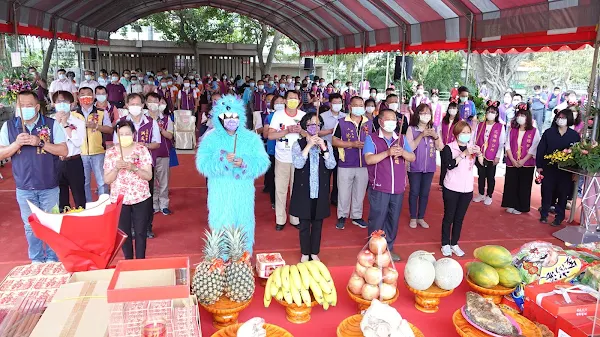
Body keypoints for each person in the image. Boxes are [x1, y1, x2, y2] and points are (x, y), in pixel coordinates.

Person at [196, 95, 269, 254]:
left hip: (243, 191)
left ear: (240, 117)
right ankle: (220, 261)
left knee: (243, 225)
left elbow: (263, 162)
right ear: (219, 118)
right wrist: (221, 159)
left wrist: (245, 163)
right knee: (220, 224)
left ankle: (243, 260)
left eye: (234, 116)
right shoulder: (211, 138)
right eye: (226, 117)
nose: (231, 120)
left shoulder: (251, 138)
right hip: (219, 192)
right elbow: (201, 164)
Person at [0, 90, 68, 263]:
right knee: (30, 226)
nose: (24, 109)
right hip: (24, 187)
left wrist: (41, 143)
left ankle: (53, 257)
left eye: (29, 106)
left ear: (37, 107)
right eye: (21, 106)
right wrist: (16, 144)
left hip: (49, 185)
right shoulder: (9, 126)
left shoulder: (51, 124)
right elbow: (1, 154)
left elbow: (63, 150)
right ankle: (37, 259)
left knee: (51, 223)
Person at [364, 109, 415, 261]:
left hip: (398, 187)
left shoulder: (401, 139)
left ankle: (388, 248)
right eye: (388, 119)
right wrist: (387, 153)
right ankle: (373, 250)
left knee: (393, 220)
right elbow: (369, 160)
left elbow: (412, 157)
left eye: (394, 119)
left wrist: (403, 153)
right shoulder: (371, 139)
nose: (392, 122)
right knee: (377, 219)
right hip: (379, 187)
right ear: (380, 121)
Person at [290, 112, 336, 262]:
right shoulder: (298, 144)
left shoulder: (326, 144)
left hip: (320, 190)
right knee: (304, 224)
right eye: (310, 124)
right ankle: (305, 252)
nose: (314, 127)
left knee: (318, 224)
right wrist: (309, 146)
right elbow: (297, 164)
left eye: (317, 124)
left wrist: (324, 148)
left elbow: (331, 165)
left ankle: (314, 252)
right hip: (305, 190)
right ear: (305, 126)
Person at [104, 120, 153, 259]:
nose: (124, 136)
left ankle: (140, 261)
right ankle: (128, 261)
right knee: (124, 233)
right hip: (120, 199)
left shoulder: (141, 150)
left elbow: (148, 176)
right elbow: (107, 179)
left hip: (140, 197)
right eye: (121, 134)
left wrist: (134, 168)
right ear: (117, 136)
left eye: (127, 134)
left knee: (140, 232)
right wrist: (116, 168)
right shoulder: (111, 153)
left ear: (133, 134)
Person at [113, 93, 161, 238]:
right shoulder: (121, 122)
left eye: (138, 104)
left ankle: (147, 227)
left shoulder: (151, 122)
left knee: (147, 197)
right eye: (132, 104)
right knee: (127, 198)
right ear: (127, 105)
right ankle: (130, 228)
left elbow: (157, 143)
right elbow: (116, 143)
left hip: (145, 167)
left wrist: (144, 145)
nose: (135, 107)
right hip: (125, 166)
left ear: (142, 105)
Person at [440, 120, 483, 257]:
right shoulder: (449, 148)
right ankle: (445, 243)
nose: (466, 135)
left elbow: (482, 167)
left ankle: (454, 243)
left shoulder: (472, 148)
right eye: (463, 132)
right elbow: (449, 165)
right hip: (451, 187)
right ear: (456, 134)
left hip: (467, 189)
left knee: (459, 218)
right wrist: (463, 154)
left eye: (468, 132)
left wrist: (480, 154)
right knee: (449, 216)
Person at [268, 91, 306, 231]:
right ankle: (280, 219)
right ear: (285, 100)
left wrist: (301, 131)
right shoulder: (278, 115)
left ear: (299, 100)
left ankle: (295, 218)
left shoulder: (303, 115)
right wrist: (286, 131)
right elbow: (270, 135)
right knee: (280, 188)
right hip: (282, 157)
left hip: (299, 157)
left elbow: (311, 134)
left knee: (296, 189)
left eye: (295, 98)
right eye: (290, 98)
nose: (292, 101)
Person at [332, 96, 372, 230]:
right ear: (350, 106)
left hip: (364, 163)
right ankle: (342, 216)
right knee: (343, 191)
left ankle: (356, 216)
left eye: (361, 105)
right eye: (356, 105)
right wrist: (352, 144)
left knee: (360, 192)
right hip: (346, 162)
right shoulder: (342, 122)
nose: (359, 107)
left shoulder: (369, 123)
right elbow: (334, 141)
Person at [536, 108, 581, 226]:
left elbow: (577, 155)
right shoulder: (548, 132)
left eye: (563, 118)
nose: (560, 120)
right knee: (546, 191)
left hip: (565, 171)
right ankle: (544, 214)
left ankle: (559, 217)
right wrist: (539, 166)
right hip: (549, 168)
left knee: (563, 193)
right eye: (559, 118)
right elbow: (541, 150)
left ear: (569, 119)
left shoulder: (574, 136)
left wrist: (575, 172)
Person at [406, 104, 444, 229]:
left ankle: (421, 217)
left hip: (430, 167)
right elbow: (409, 148)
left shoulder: (434, 128)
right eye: (423, 113)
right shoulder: (412, 129)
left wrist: (435, 136)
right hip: (415, 166)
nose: (426, 115)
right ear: (417, 114)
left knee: (425, 193)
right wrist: (421, 135)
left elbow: (441, 147)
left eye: (428, 113)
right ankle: (413, 217)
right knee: (414, 191)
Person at [76, 86, 113, 202]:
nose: (86, 97)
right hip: (80, 152)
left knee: (102, 181)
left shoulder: (102, 112)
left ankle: (104, 204)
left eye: (88, 94)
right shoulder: (73, 114)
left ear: (93, 97)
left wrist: (96, 126)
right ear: (78, 97)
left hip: (98, 152)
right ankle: (88, 205)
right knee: (84, 182)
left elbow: (109, 129)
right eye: (82, 94)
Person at [501, 104, 540, 214]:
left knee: (524, 185)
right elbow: (507, 144)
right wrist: (512, 159)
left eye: (523, 115)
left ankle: (521, 206)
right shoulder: (512, 130)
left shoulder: (534, 131)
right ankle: (510, 203)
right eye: (519, 115)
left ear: (528, 117)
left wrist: (523, 160)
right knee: (511, 183)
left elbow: (534, 147)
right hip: (512, 161)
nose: (520, 118)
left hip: (526, 163)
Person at [53, 91, 87, 211]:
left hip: (74, 161)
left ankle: (82, 219)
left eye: (65, 101)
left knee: (79, 195)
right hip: (57, 162)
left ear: (71, 104)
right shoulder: (50, 122)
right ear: (54, 104)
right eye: (59, 102)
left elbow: (78, 142)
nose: (62, 104)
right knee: (60, 197)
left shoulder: (78, 122)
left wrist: (65, 124)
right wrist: (57, 123)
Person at [146, 93, 174, 215]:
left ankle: (164, 204)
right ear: (146, 103)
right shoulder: (143, 118)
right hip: (147, 156)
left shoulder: (166, 119)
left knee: (163, 181)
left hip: (163, 153)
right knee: (150, 181)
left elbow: (170, 135)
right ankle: (153, 205)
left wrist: (161, 129)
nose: (153, 104)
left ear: (159, 103)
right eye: (150, 101)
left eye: (155, 101)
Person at [473, 101, 506, 205]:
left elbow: (501, 143)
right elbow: (475, 138)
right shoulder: (481, 125)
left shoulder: (500, 127)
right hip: (480, 154)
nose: (490, 113)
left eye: (493, 112)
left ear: (496, 114)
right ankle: (481, 193)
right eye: (489, 111)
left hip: (492, 156)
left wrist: (497, 156)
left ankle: (489, 195)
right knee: (481, 175)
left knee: (490, 176)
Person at [320, 93, 345, 206]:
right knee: (325, 175)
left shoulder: (345, 116)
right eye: (334, 103)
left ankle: (335, 197)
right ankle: (323, 198)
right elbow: (316, 132)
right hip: (327, 149)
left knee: (338, 176)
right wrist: (330, 131)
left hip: (341, 150)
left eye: (339, 103)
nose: (337, 105)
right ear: (330, 104)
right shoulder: (322, 116)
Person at [262, 95, 279, 209]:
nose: (280, 104)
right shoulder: (269, 117)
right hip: (273, 150)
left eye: (282, 102)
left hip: (289, 152)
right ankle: (274, 200)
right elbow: (265, 134)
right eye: (277, 102)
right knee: (273, 176)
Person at [439, 100, 460, 187]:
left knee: (453, 165)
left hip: (454, 147)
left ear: (457, 110)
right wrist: (441, 143)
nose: (452, 110)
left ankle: (452, 182)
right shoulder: (444, 120)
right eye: (450, 108)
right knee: (444, 164)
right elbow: (439, 131)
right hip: (444, 146)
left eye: (454, 108)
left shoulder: (459, 121)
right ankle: (442, 182)